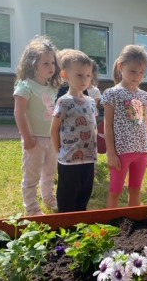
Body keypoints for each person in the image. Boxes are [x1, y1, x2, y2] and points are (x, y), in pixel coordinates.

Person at [13, 35, 61, 216]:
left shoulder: (51, 88)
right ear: (34, 65)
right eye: (46, 63)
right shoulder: (25, 86)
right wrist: (27, 137)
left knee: (50, 172)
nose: (51, 67)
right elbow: (19, 112)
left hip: (51, 138)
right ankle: (32, 208)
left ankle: (49, 198)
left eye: (53, 63)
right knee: (31, 175)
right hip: (34, 139)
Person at [102, 45, 147, 207]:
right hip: (121, 152)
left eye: (141, 73)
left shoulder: (144, 96)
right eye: (133, 71)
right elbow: (107, 125)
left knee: (136, 189)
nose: (137, 76)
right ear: (121, 67)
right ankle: (111, 222)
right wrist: (111, 152)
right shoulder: (112, 93)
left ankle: (134, 225)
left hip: (140, 151)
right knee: (115, 190)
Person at [50, 49, 97, 212]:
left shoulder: (91, 102)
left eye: (88, 75)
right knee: (67, 197)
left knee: (84, 195)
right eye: (79, 75)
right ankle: (66, 228)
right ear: (65, 75)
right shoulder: (64, 102)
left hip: (89, 159)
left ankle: (79, 226)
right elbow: (54, 129)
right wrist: (58, 153)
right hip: (69, 160)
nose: (84, 79)